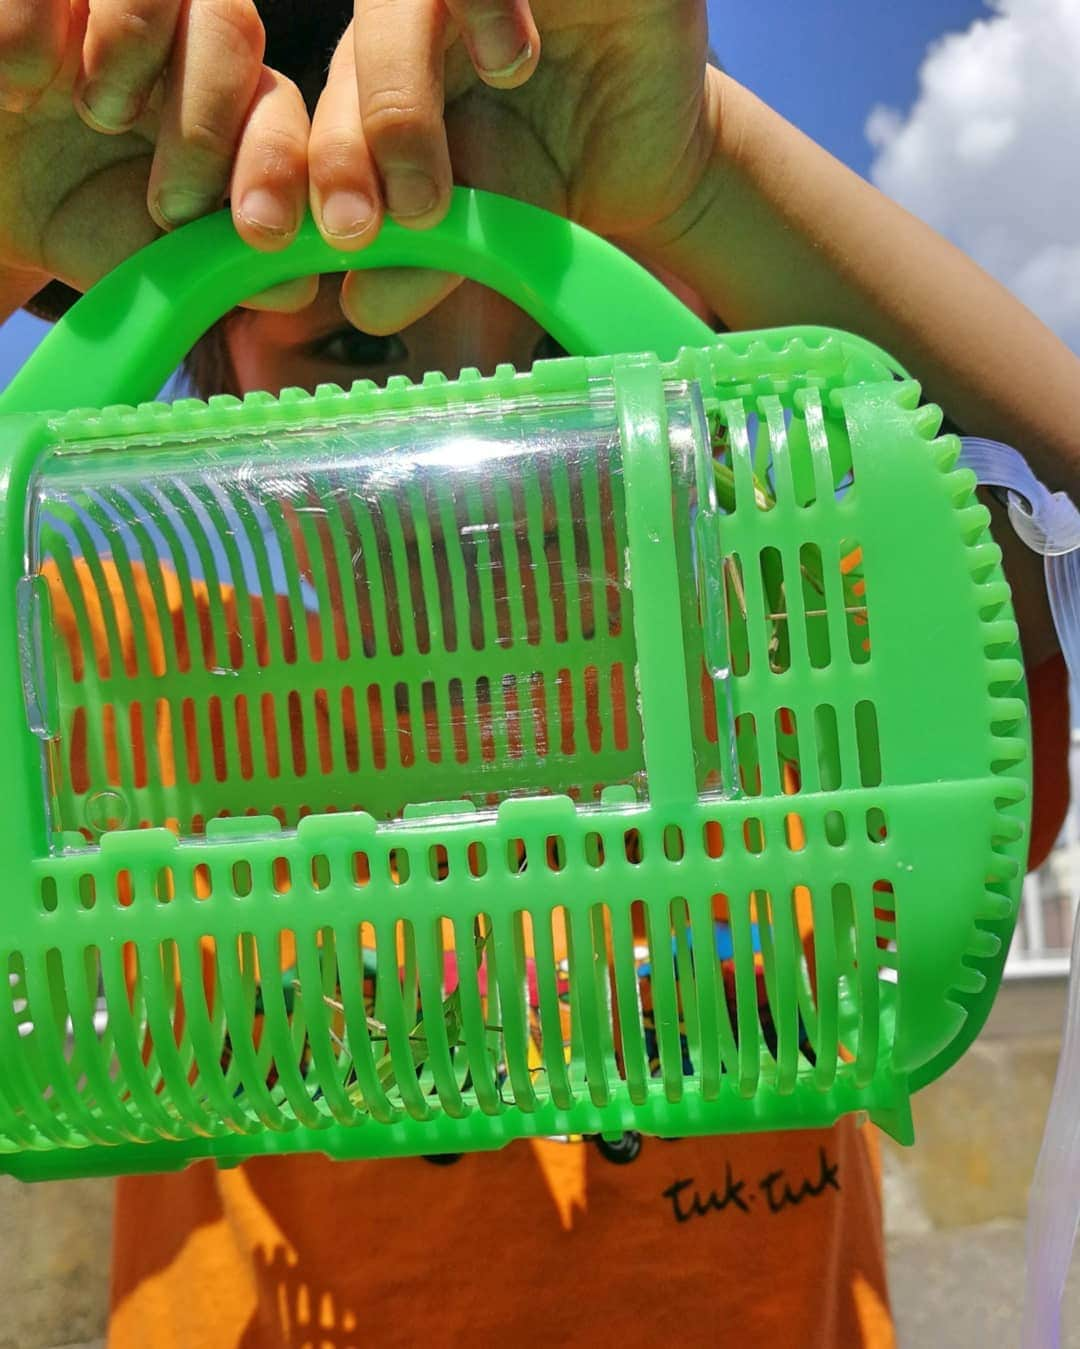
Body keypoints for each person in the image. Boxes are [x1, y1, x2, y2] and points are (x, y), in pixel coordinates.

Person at [1, 3, 1075, 1345]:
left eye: (562, 336)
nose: (467, 400)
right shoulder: (111, 672)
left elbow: (1060, 512)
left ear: (703, 319)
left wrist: (701, 165)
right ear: (213, 368)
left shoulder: (804, 652)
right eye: (363, 351)